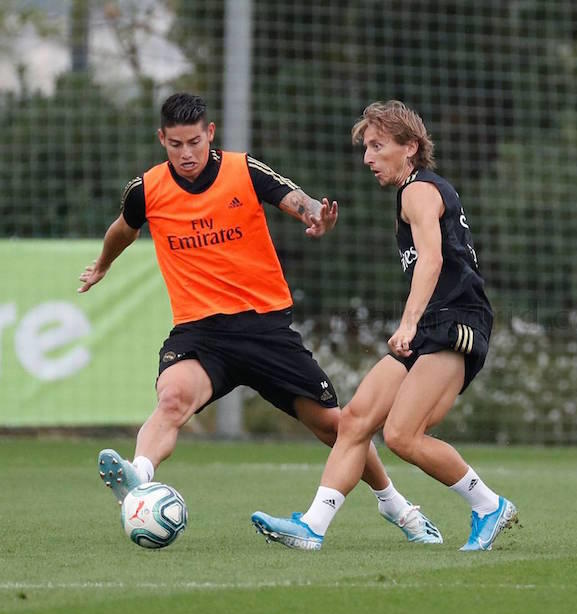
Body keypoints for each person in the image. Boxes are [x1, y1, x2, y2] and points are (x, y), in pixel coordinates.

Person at [79, 92, 442, 547]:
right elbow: (123, 228)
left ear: (209, 134)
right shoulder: (147, 189)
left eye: (193, 142)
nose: (186, 154)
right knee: (172, 400)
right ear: (162, 140)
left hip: (264, 328)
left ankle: (397, 507)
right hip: (201, 332)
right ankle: (140, 476)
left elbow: (296, 199)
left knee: (337, 427)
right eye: (175, 145)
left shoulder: (241, 170)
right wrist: (103, 263)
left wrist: (317, 217)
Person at [251, 100, 517, 551]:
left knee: (401, 436)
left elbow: (432, 260)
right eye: (366, 148)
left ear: (410, 147)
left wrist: (408, 322)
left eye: (378, 146)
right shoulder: (410, 193)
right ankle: (313, 527)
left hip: (454, 323)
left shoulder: (418, 190)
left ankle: (489, 505)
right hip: (432, 323)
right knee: (354, 419)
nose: (367, 158)